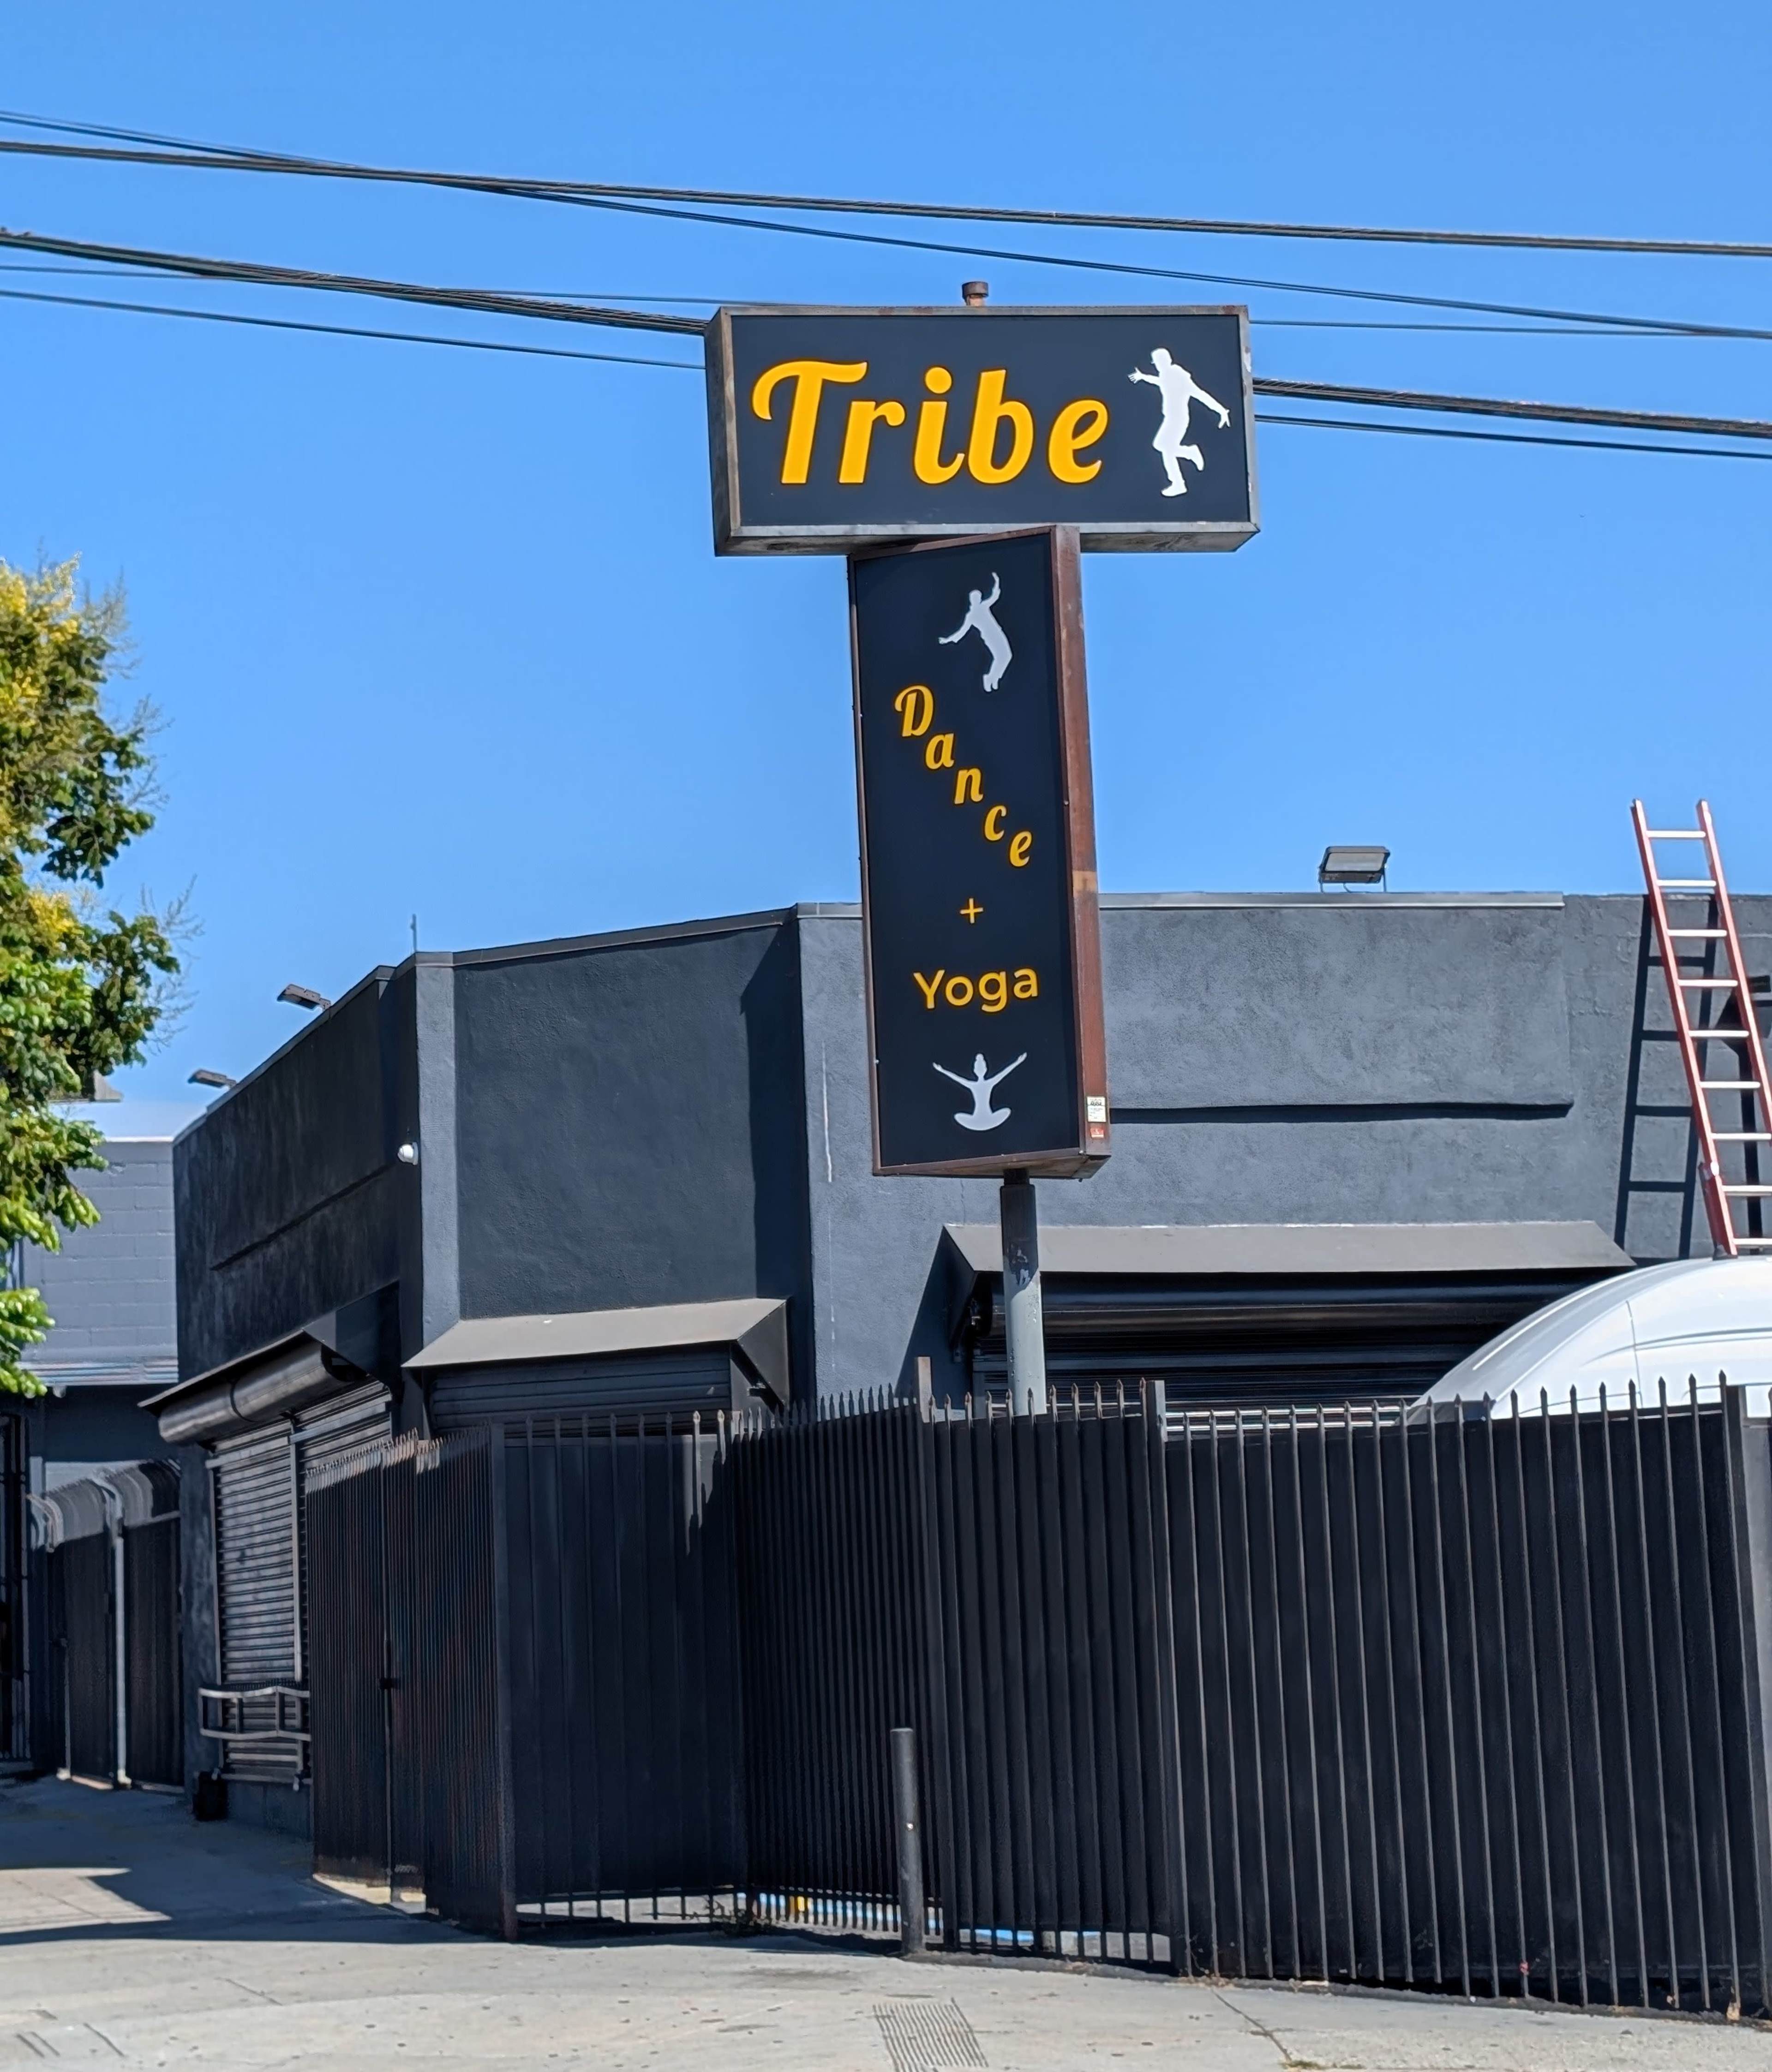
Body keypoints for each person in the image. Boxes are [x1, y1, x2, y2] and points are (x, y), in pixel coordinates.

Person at [1128, 348, 1231, 497]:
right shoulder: (1166, 376)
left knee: (1166, 449)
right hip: (1171, 418)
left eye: (1157, 362)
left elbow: (1200, 394)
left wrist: (1221, 410)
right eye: (1155, 363)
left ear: (1166, 361)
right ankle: (1189, 454)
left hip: (1178, 419)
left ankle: (1179, 482)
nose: (1156, 366)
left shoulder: (1179, 376)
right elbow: (1159, 382)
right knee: (1160, 446)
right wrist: (1143, 377)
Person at [938, 572, 1012, 692]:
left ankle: (994, 678)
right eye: (975, 598)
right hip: (990, 637)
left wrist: (997, 581)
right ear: (972, 600)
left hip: (998, 633)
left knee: (1007, 656)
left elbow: (995, 596)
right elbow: (962, 632)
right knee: (1000, 657)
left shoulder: (984, 606)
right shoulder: (972, 616)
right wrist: (948, 640)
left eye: (978, 597)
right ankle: (990, 678)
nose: (977, 600)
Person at [934, 1051, 1027, 1132]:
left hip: (989, 1118)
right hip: (978, 1119)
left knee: (1006, 1112)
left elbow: (1005, 1072)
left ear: (986, 1069)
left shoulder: (988, 1083)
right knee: (959, 1117)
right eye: (978, 1068)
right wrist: (942, 1070)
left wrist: (1018, 1062)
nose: (980, 1070)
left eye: (982, 1068)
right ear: (975, 1070)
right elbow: (957, 1078)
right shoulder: (975, 1085)